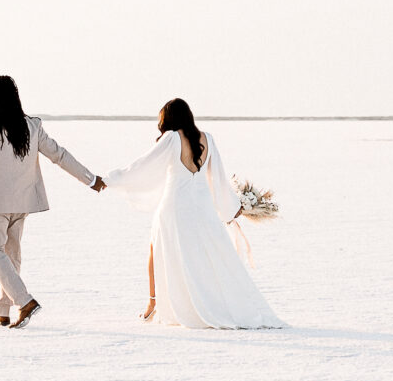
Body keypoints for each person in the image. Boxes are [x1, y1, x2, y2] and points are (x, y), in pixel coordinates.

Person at [104, 98, 284, 330]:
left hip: (175, 206)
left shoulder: (171, 138)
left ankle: (154, 304)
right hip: (202, 206)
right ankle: (209, 302)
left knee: (157, 249)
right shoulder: (208, 138)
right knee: (206, 255)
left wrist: (111, 180)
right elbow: (218, 177)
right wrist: (231, 207)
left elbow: (142, 165)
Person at [0, 74, 105, 329]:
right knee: (10, 255)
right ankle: (2, 311)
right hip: (21, 203)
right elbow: (59, 155)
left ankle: (24, 302)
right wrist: (90, 179)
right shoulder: (31, 127)